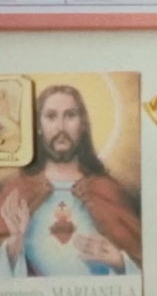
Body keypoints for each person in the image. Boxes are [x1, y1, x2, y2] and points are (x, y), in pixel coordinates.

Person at [1, 84, 140, 278]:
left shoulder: (109, 191)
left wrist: (120, 262)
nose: (61, 127)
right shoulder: (16, 190)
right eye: (51, 116)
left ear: (83, 125)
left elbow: (146, 270)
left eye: (70, 115)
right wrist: (14, 243)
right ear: (38, 127)